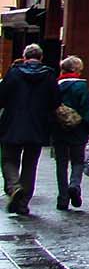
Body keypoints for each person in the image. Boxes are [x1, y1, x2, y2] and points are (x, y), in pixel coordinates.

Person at [0, 45, 60, 216]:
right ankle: (23, 203)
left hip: (12, 125)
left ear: (24, 57)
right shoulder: (49, 75)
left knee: (8, 160)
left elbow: (1, 97)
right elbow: (55, 101)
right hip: (37, 126)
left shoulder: (14, 73)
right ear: (40, 58)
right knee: (30, 165)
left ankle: (14, 187)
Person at [51, 57, 89, 211]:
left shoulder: (55, 85)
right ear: (76, 70)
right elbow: (87, 109)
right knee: (77, 161)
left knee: (61, 164)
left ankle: (62, 198)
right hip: (78, 130)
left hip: (59, 130)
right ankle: (74, 185)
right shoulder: (81, 86)